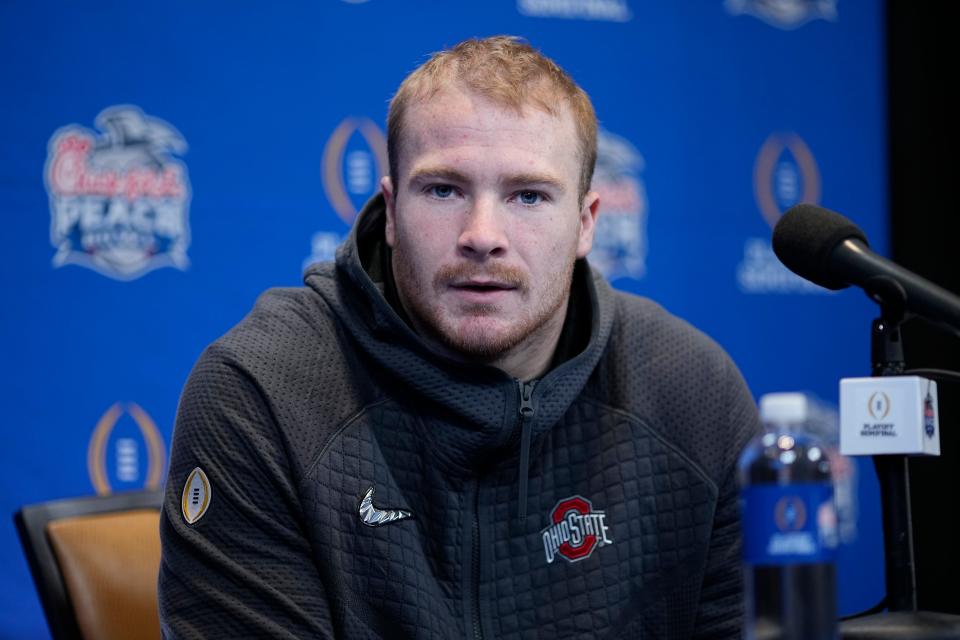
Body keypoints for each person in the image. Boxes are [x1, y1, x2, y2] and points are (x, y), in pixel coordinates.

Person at [158, 35, 761, 639]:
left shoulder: (694, 393)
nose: (482, 235)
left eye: (528, 195)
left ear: (585, 223)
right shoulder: (264, 392)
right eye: (444, 189)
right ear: (391, 212)